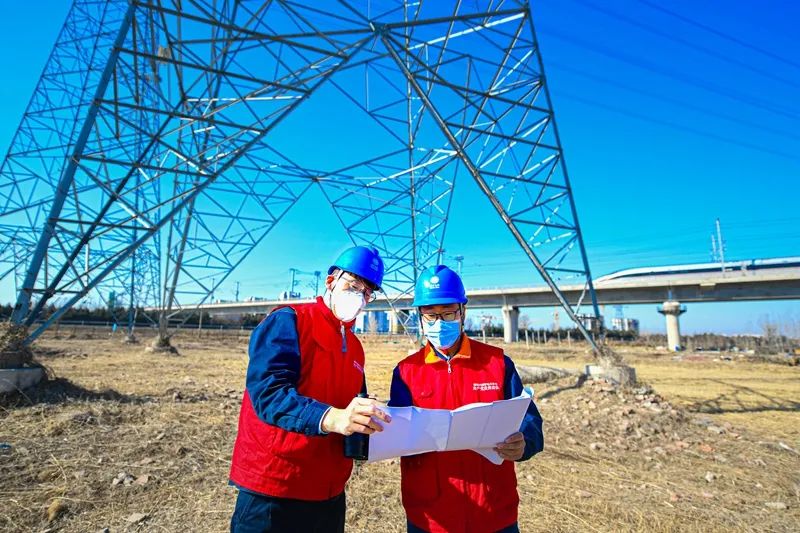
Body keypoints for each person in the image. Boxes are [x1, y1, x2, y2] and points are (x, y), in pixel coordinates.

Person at [229, 245, 392, 533]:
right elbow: (269, 394)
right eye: (353, 285)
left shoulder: (355, 347)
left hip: (328, 492)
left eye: (367, 292)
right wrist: (332, 418)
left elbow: (353, 407)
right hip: (275, 489)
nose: (359, 296)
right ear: (331, 281)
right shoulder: (290, 320)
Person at [389, 265, 544, 533]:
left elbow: (530, 421)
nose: (439, 322)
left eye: (448, 313)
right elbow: (396, 434)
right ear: (420, 316)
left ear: (463, 312)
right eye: (431, 315)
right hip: (431, 516)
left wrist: (524, 442)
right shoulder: (406, 372)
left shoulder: (497, 363)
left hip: (494, 512)